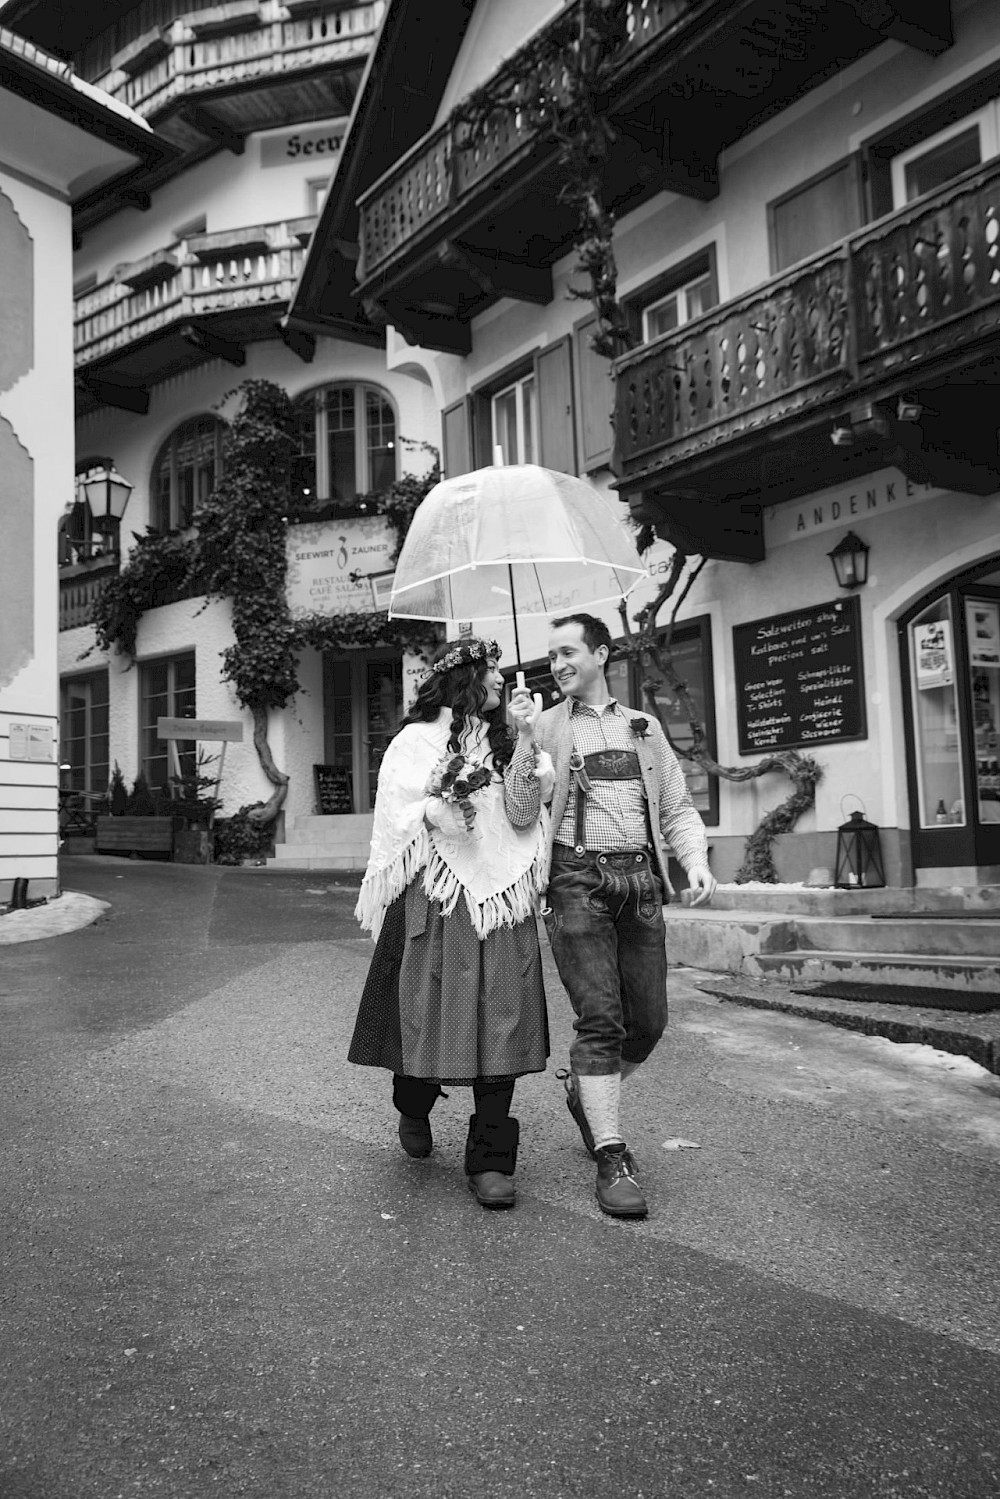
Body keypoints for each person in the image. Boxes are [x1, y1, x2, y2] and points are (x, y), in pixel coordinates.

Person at [349, 637, 553, 1210]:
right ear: (464, 677)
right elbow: (396, 816)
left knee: (504, 1020)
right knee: (424, 1016)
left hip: (502, 899)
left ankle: (490, 1160)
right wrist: (435, 808)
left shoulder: (509, 739)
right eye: (491, 671)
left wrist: (527, 737)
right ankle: (412, 1101)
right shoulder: (413, 742)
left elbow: (518, 815)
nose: (501, 679)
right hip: (438, 897)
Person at [535, 613, 716, 1220]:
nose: (557, 664)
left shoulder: (644, 727)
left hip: (639, 880)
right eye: (551, 655)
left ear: (601, 654)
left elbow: (677, 806)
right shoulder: (542, 727)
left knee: (651, 1022)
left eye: (567, 652)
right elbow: (520, 809)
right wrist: (518, 748)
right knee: (602, 1018)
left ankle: (586, 1096)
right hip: (575, 878)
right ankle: (612, 1154)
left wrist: (694, 862)